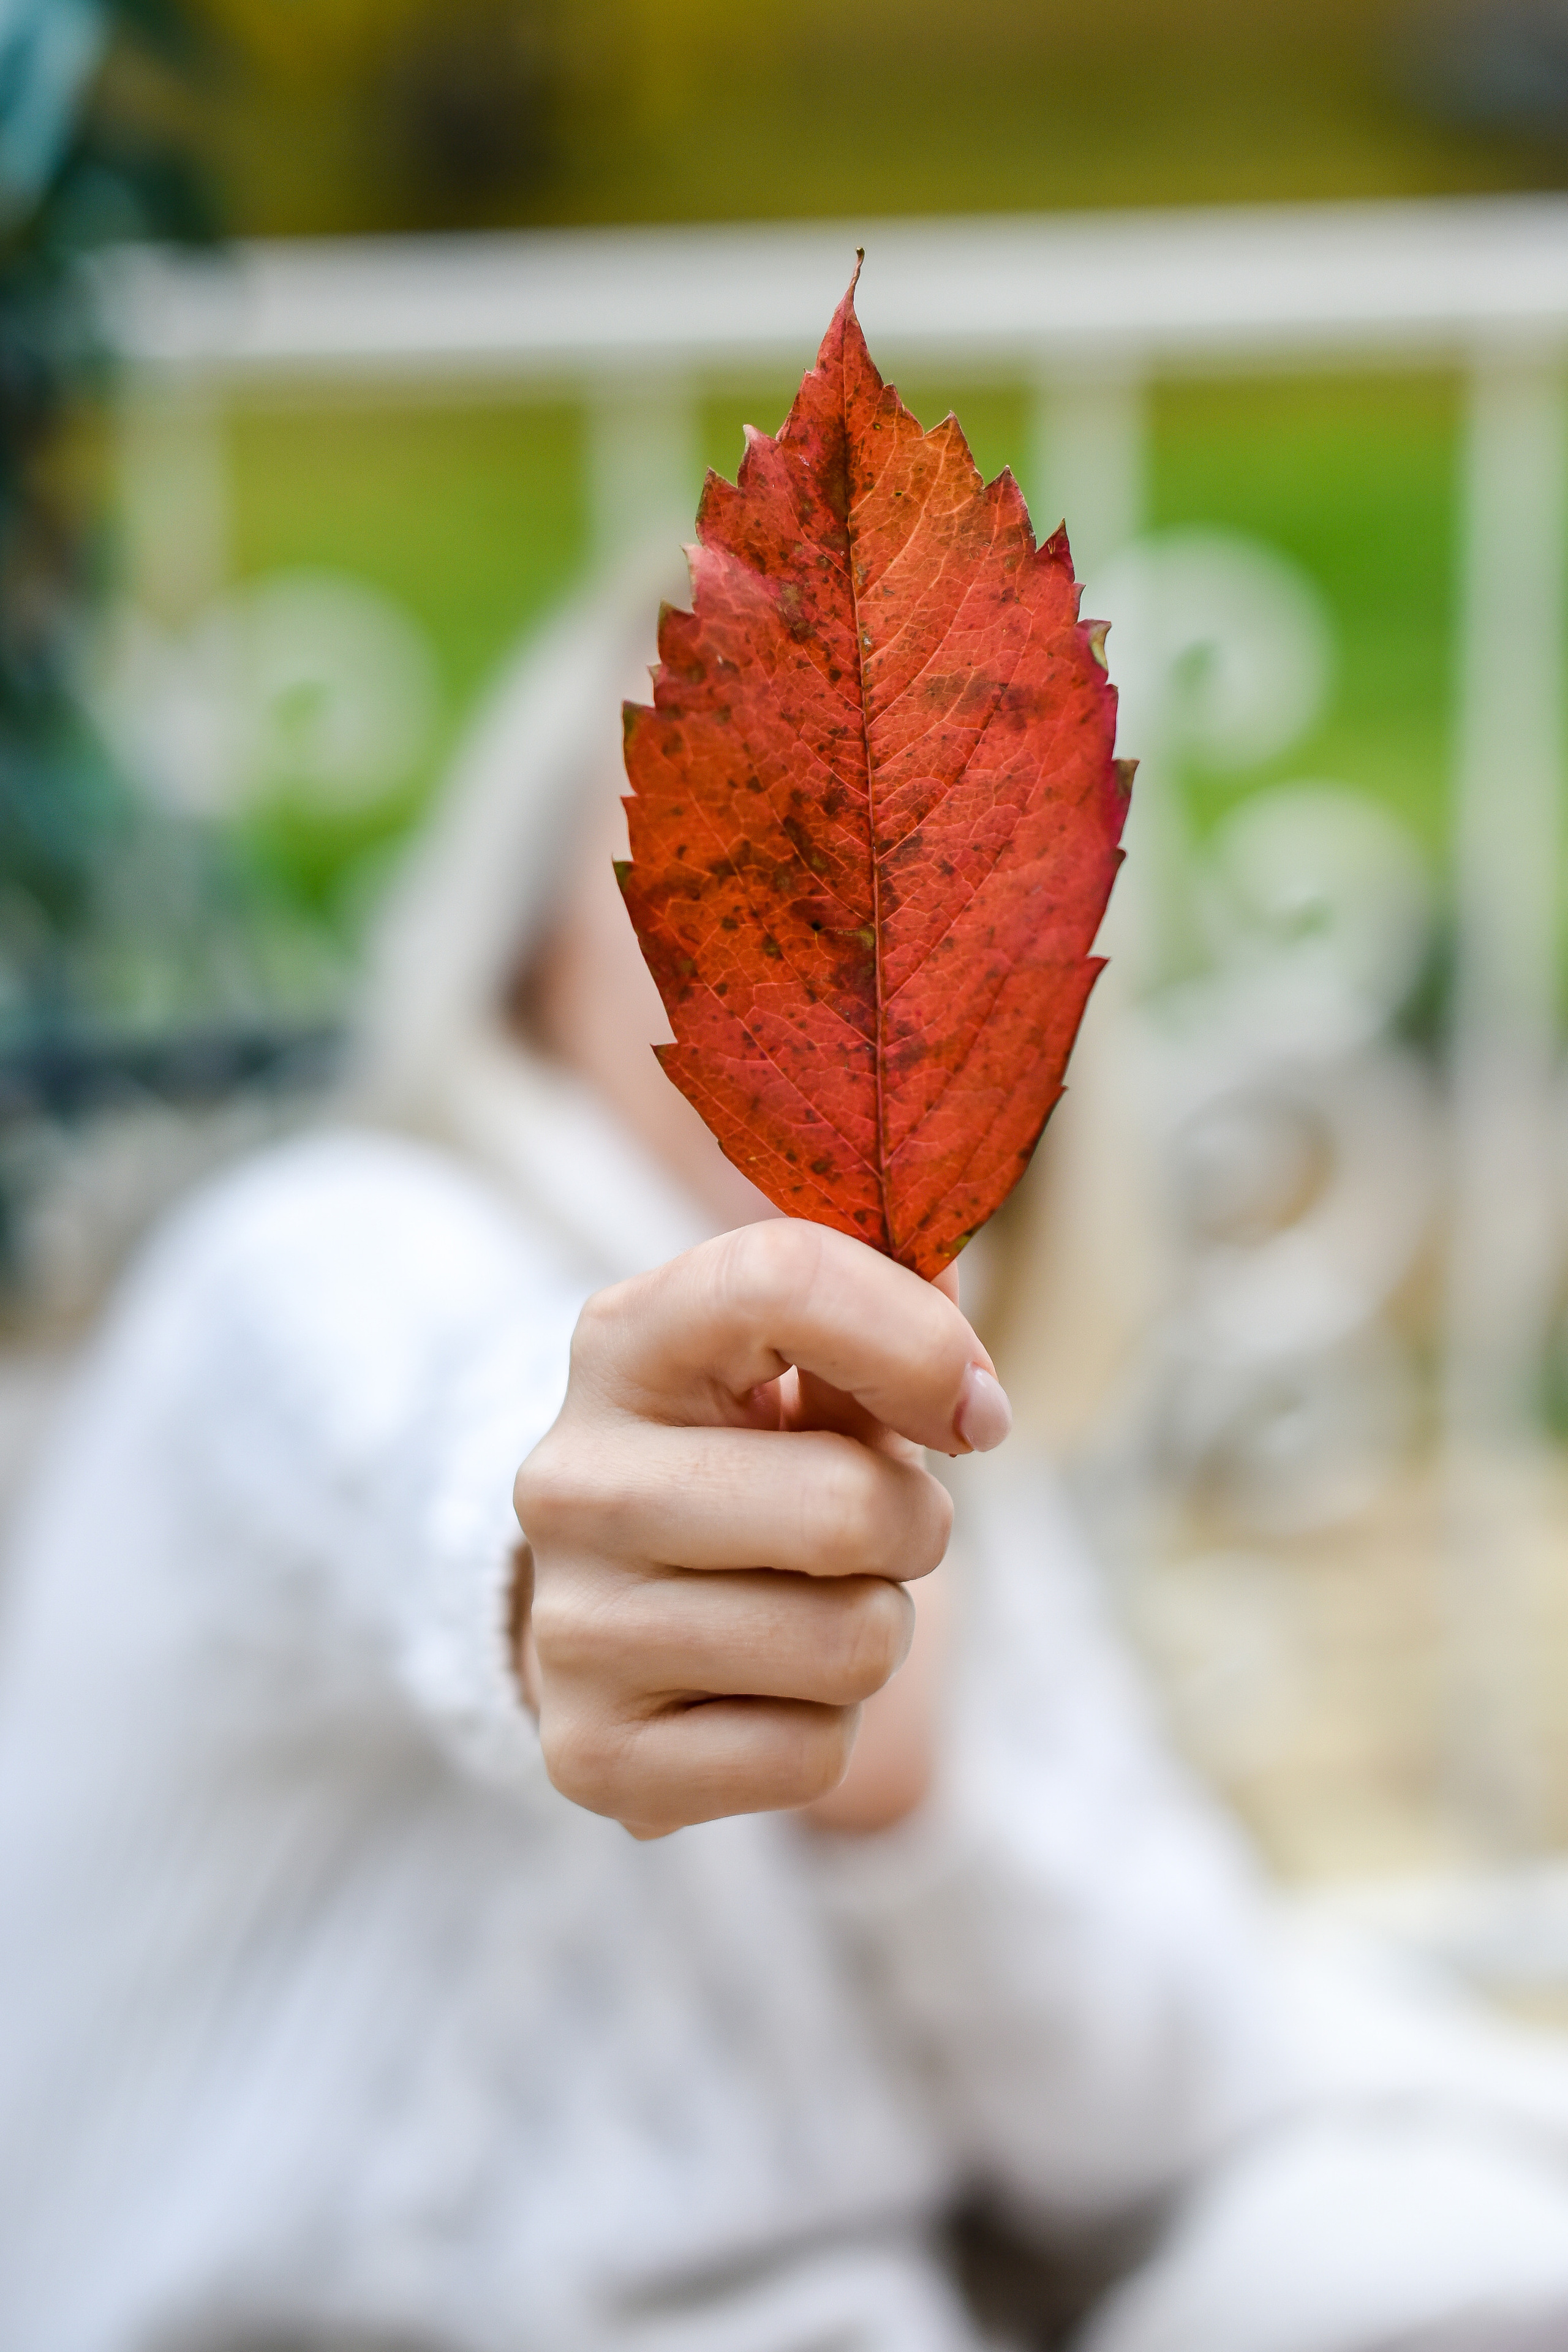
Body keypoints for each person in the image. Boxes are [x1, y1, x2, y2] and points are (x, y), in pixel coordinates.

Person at [3, 557, 1568, 2352]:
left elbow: (1172, 2090)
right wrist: (562, 1564)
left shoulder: (967, 1468)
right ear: (540, 943)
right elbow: (437, 1431)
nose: (866, 923)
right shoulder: (312, 1259)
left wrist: (914, 1817)